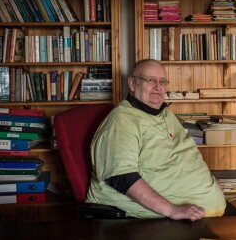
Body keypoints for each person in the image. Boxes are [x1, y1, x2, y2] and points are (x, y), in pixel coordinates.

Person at [86, 59, 226, 220]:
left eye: (162, 81)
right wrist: (172, 210)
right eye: (150, 80)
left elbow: (183, 154)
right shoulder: (121, 121)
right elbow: (121, 177)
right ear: (132, 84)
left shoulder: (163, 113)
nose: (158, 87)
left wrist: (206, 180)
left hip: (202, 212)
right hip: (160, 219)